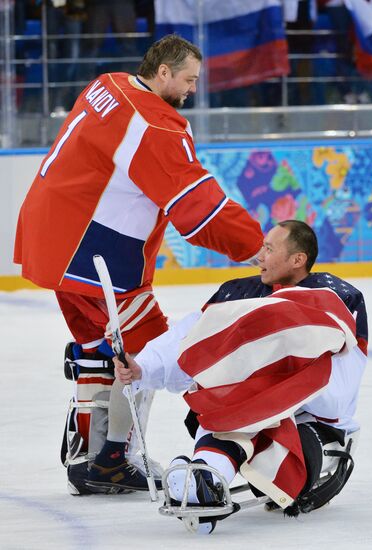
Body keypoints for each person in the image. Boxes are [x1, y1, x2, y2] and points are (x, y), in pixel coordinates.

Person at [14, 34, 264, 496]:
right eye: (188, 79)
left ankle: (88, 454)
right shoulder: (156, 125)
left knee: (97, 350)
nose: (193, 89)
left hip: (50, 241)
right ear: (164, 72)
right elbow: (196, 205)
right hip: (93, 255)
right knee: (144, 351)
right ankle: (111, 460)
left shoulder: (109, 83)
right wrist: (258, 245)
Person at [115, 220, 367, 532]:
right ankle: (204, 480)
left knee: (282, 446)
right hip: (242, 410)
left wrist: (278, 395)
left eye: (270, 249)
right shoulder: (236, 292)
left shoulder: (336, 295)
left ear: (297, 259)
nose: (259, 256)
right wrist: (144, 367)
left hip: (309, 420)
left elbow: (341, 376)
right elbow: (190, 336)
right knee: (228, 412)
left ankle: (205, 479)